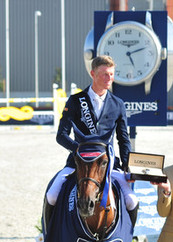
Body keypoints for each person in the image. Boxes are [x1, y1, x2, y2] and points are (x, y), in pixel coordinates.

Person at [44, 55, 137, 222]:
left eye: (111, 74)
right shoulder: (75, 101)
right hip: (78, 162)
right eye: (104, 74)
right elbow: (61, 135)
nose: (109, 78)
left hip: (106, 164)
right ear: (93, 74)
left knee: (132, 201)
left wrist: (126, 165)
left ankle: (127, 239)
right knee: (52, 195)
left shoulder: (118, 104)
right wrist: (78, 150)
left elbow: (123, 140)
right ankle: (48, 239)